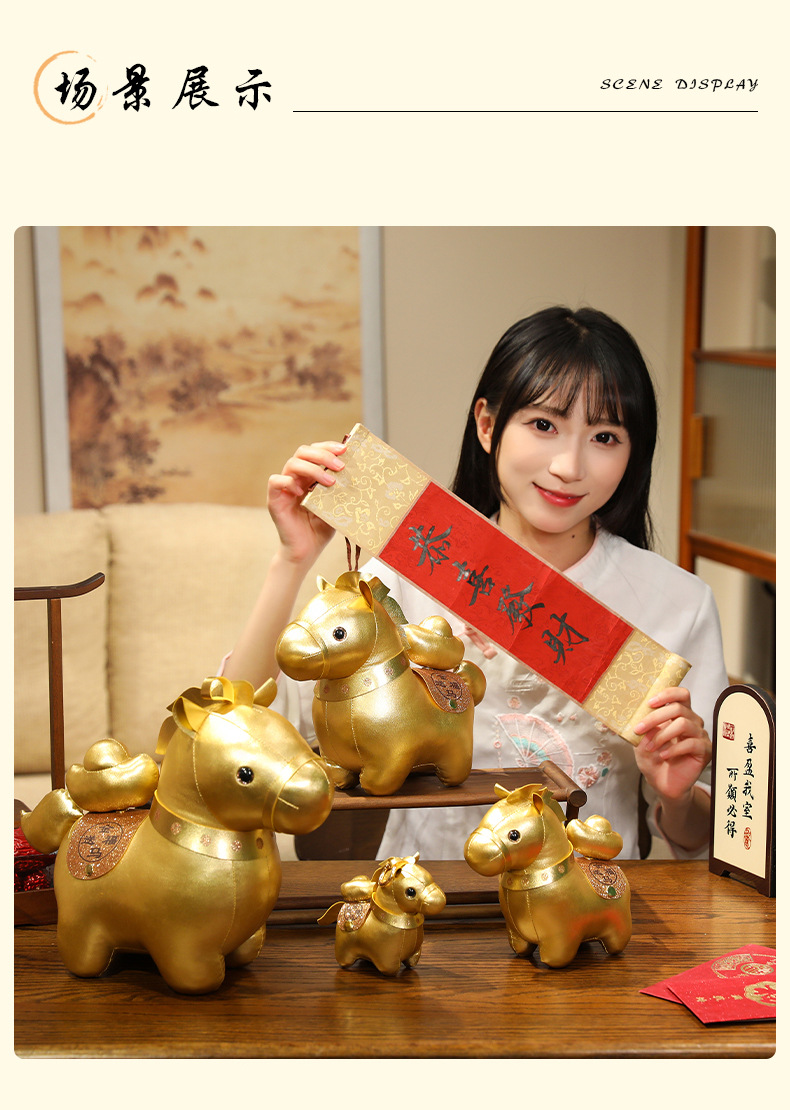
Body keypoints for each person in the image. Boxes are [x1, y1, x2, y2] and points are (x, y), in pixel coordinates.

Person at [224, 306, 727, 860]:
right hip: (421, 894)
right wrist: (291, 561)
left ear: (634, 453)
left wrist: (677, 797)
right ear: (487, 425)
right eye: (544, 425)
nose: (569, 465)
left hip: (592, 902)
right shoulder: (406, 574)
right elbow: (239, 728)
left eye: (605, 436)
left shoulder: (678, 604)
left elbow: (705, 842)